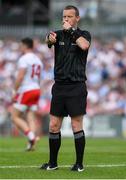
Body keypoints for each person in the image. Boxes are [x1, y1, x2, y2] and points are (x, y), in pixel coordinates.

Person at [40, 5, 91, 171]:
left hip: (76, 86)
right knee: (53, 125)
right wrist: (49, 39)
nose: (66, 20)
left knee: (76, 125)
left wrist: (71, 31)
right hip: (60, 86)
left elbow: (84, 46)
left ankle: (79, 164)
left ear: (77, 18)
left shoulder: (83, 34)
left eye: (69, 17)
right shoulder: (58, 34)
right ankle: (53, 163)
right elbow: (48, 40)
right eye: (64, 17)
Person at [11, 38, 43, 151]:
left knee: (14, 116)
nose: (20, 47)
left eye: (21, 45)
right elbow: (39, 78)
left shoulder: (24, 58)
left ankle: (31, 137)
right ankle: (31, 145)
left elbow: (20, 76)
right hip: (36, 89)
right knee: (30, 116)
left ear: (25, 46)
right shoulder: (38, 60)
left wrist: (14, 90)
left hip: (27, 90)